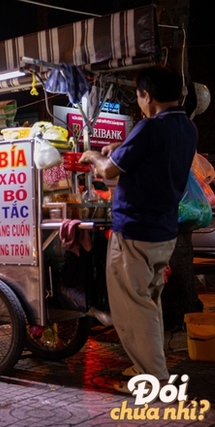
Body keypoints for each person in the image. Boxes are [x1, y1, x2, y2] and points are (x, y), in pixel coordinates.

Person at [79, 66, 198, 393]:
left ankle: (152, 378)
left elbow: (111, 170)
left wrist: (92, 155)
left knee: (133, 307)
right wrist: (119, 147)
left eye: (139, 95)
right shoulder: (186, 128)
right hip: (163, 230)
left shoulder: (149, 127)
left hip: (136, 230)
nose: (139, 102)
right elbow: (148, 157)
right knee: (149, 303)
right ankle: (149, 367)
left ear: (147, 95)